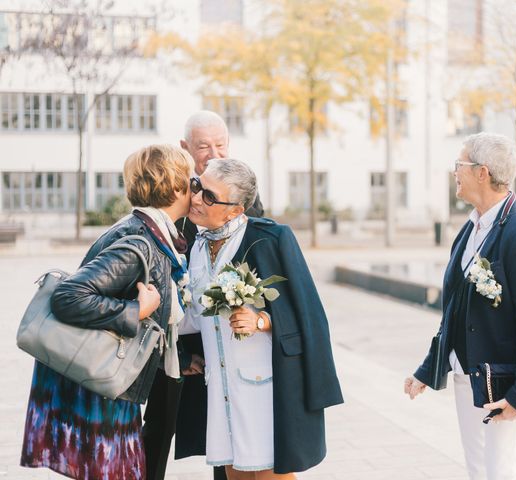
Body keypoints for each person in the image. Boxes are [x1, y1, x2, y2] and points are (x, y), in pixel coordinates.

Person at [20, 144, 194, 479]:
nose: (195, 189)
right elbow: (69, 297)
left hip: (105, 376)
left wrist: (181, 360)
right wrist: (135, 310)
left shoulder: (151, 232)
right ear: (176, 187)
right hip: (101, 379)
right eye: (192, 181)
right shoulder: (139, 240)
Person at [179, 158, 343, 479]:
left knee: (269, 472)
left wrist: (261, 321)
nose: (197, 199)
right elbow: (193, 316)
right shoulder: (195, 246)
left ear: (236, 210)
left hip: (263, 385)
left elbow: (306, 313)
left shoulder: (269, 239)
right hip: (219, 385)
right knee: (232, 471)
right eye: (197, 187)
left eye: (210, 196)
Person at [404, 133, 516, 480]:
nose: (454, 171)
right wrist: (429, 369)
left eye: (460, 164)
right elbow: (455, 308)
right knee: (478, 471)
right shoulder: (471, 228)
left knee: (500, 472)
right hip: (467, 377)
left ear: (482, 172)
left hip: (503, 383)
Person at [143, 111, 263, 480]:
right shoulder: (174, 193)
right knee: (158, 429)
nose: (212, 153)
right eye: (203, 146)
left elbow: (257, 265)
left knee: (227, 433)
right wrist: (181, 350)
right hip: (178, 340)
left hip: (222, 346)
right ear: (185, 148)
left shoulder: (241, 192)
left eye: (220, 144)